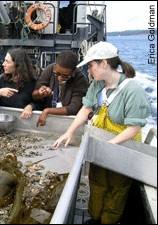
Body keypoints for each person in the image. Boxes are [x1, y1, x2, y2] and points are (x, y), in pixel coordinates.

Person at [52, 42, 151, 224]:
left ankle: (108, 221)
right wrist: (69, 132)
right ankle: (95, 217)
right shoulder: (97, 85)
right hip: (101, 147)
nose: (88, 70)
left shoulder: (133, 90)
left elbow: (134, 128)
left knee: (117, 190)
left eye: (90, 65)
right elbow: (86, 108)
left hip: (123, 151)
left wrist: (109, 147)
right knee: (96, 185)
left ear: (104, 64)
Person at [32, 50, 88, 127]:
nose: (60, 78)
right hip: (48, 119)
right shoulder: (49, 69)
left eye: (65, 76)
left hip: (68, 121)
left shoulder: (81, 80)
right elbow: (34, 95)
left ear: (73, 71)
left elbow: (74, 108)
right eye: (57, 73)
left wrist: (47, 111)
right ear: (55, 65)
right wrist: (40, 93)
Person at [0, 47, 42, 119]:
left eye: (7, 61)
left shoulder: (32, 81)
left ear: (18, 65)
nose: (3, 64)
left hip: (24, 121)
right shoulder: (2, 79)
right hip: (5, 119)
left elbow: (41, 104)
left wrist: (31, 106)